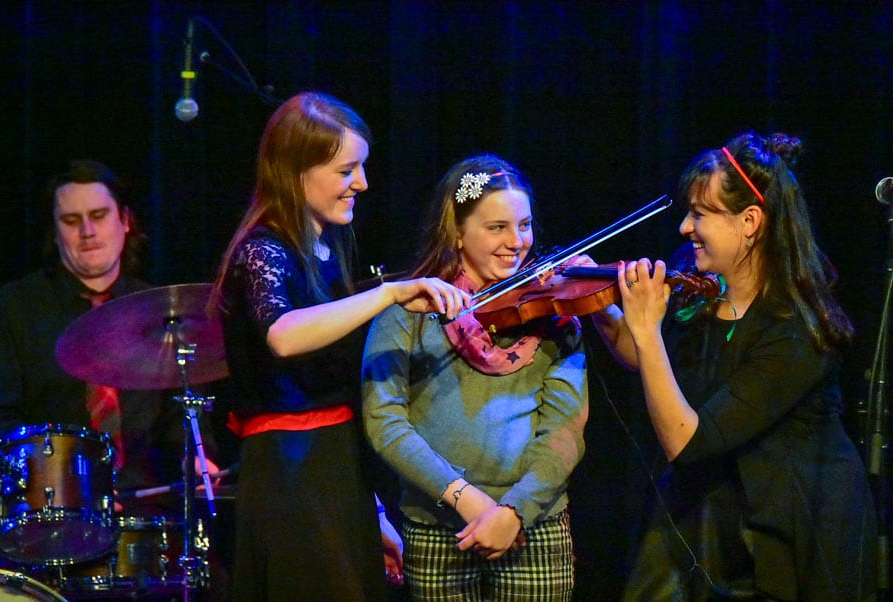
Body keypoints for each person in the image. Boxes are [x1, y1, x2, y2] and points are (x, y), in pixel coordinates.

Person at [208, 91, 472, 602]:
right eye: (347, 170)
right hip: (289, 470)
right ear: (296, 170)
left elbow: (338, 397)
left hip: (335, 464)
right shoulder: (263, 249)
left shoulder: (330, 246)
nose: (363, 184)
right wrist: (387, 295)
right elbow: (283, 335)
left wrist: (372, 511)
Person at [591, 132, 878, 600]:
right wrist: (599, 308)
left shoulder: (795, 333)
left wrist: (646, 330)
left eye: (700, 214)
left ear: (749, 222)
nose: (684, 227)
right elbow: (651, 363)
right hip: (712, 518)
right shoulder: (702, 283)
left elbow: (687, 442)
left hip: (788, 536)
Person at [361, 154, 589, 601]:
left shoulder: (555, 310)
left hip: (533, 527)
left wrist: (515, 511)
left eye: (524, 226)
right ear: (458, 232)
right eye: (497, 227)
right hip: (436, 528)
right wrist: (465, 497)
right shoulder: (408, 309)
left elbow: (566, 429)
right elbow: (384, 422)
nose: (516, 242)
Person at [0, 160, 222, 571]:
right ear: (55, 230)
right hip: (52, 526)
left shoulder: (167, 310)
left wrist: (197, 459)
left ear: (125, 220)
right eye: (71, 220)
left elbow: (181, 419)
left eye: (99, 216)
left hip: (149, 519)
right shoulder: (12, 310)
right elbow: (0, 420)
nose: (87, 232)